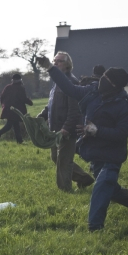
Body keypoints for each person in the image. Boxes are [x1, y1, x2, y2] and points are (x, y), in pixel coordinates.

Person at [38, 56, 128, 231]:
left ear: (115, 86)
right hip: (95, 155)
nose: (102, 81)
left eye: (107, 80)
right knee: (113, 192)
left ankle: (95, 228)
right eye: (103, 77)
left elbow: (122, 133)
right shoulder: (93, 91)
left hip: (112, 157)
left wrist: (97, 130)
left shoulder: (124, 106)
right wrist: (50, 68)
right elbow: (69, 88)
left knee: (101, 187)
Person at [37, 52, 94, 192]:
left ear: (68, 65)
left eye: (59, 61)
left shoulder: (71, 83)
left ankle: (65, 190)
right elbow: (51, 105)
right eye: (54, 61)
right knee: (56, 158)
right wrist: (40, 117)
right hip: (54, 128)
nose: (55, 63)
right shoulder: (57, 82)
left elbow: (75, 110)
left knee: (63, 161)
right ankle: (83, 178)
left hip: (66, 130)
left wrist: (66, 128)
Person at [0, 73, 33, 145]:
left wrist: (4, 106)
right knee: (9, 126)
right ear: (20, 80)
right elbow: (23, 99)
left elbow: (2, 97)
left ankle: (19, 141)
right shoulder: (20, 88)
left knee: (16, 125)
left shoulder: (8, 87)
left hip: (8, 109)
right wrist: (30, 102)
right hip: (15, 110)